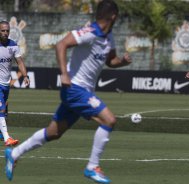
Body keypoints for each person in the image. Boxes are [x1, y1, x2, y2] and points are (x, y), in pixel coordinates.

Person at [5, 0, 131, 183]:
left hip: (82, 91)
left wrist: (123, 62)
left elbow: (111, 61)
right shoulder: (90, 32)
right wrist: (64, 74)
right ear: (113, 16)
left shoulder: (108, 36)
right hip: (75, 89)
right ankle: (92, 166)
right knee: (109, 120)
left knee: (53, 133)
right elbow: (61, 45)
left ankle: (15, 153)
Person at [0, 20, 30, 146]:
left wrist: (25, 76)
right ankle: (7, 137)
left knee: (4, 109)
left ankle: (1, 133)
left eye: (7, 30)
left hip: (6, 83)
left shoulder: (13, 45)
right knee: (1, 110)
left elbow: (20, 62)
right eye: (3, 30)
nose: (5, 33)